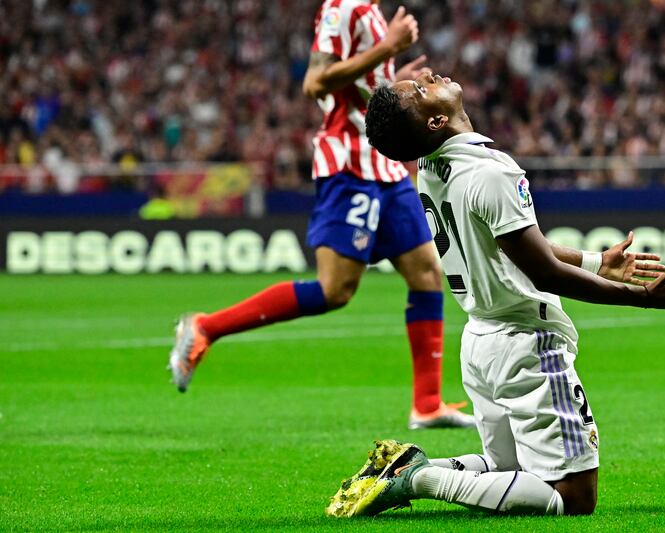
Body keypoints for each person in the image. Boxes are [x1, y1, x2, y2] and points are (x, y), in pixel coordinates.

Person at [325, 72, 665, 517]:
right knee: (573, 497)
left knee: (504, 467)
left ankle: (404, 470)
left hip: (481, 341)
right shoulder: (490, 172)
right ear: (434, 121)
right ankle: (421, 477)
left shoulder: (432, 166)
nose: (429, 78)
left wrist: (595, 262)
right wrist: (644, 298)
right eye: (419, 90)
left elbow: (515, 246)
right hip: (527, 342)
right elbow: (544, 271)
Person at [167, 2, 474, 430]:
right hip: (350, 165)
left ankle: (426, 404)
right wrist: (386, 47)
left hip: (383, 165)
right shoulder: (342, 8)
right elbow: (316, 83)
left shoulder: (369, 9)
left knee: (426, 273)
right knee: (334, 291)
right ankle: (205, 327)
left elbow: (356, 82)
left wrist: (392, 79)